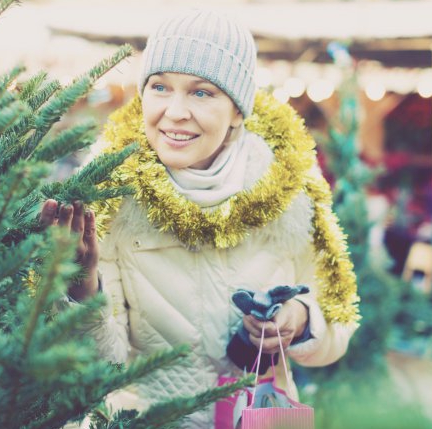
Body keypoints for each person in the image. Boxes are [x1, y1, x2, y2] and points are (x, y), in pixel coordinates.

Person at [40, 9, 360, 428]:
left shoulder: (288, 190)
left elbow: (336, 327)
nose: (175, 111)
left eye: (202, 93)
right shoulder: (110, 196)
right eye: (160, 87)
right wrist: (82, 291)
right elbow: (100, 367)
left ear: (238, 110)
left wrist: (299, 320)